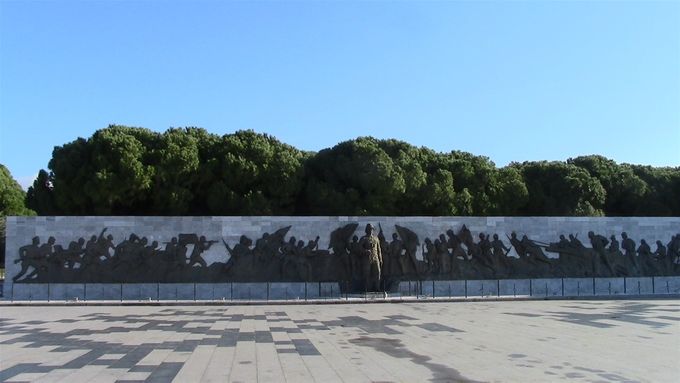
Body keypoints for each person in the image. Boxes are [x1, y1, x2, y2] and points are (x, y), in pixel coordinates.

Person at [359, 224, 383, 291]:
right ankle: (367, 288)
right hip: (367, 258)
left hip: (376, 258)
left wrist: (380, 259)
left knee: (378, 272)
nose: (370, 230)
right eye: (369, 229)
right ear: (366, 230)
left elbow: (379, 250)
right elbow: (359, 247)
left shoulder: (376, 238)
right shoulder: (363, 238)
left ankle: (377, 288)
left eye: (372, 229)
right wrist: (365, 251)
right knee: (367, 273)